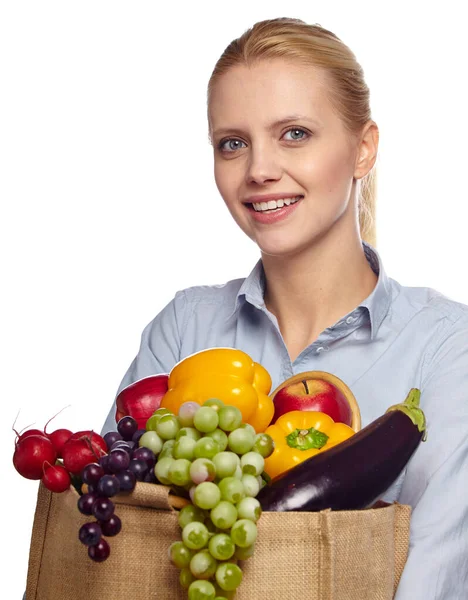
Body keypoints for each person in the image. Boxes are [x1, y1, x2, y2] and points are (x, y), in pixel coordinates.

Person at [101, 17, 468, 599]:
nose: (258, 170)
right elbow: (116, 533)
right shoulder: (185, 327)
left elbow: (438, 574)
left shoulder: (447, 347)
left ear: (363, 149)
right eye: (233, 143)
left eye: (294, 133)